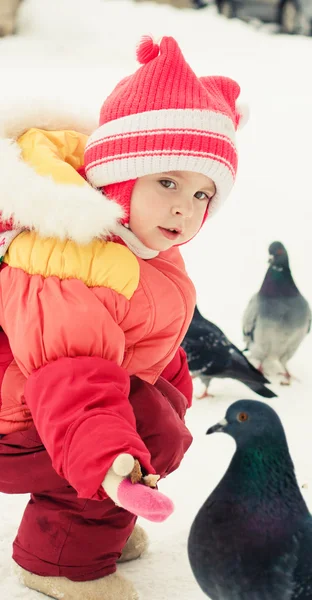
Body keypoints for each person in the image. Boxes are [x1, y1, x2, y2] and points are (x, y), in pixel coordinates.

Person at [0, 34, 246, 600]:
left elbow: (142, 343)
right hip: (26, 417)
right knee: (141, 429)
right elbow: (71, 373)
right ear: (118, 177)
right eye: (167, 182)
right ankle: (60, 559)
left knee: (155, 420)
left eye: (204, 193)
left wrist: (170, 396)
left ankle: (100, 514)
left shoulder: (136, 245)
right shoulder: (68, 258)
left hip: (51, 408)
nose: (185, 207)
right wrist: (112, 454)